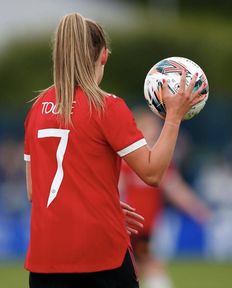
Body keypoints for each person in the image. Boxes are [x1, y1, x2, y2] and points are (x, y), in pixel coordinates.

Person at [23, 12, 206, 288]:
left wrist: (98, 204)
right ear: (104, 55)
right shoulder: (106, 106)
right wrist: (173, 117)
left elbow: (34, 190)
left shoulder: (37, 108)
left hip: (44, 263)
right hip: (100, 259)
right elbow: (154, 173)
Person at [119, 108, 211, 288]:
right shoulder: (126, 161)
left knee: (138, 269)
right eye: (149, 128)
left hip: (145, 227)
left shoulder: (159, 162)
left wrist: (197, 209)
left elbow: (176, 189)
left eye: (155, 129)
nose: (154, 133)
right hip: (129, 227)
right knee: (152, 267)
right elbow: (116, 188)